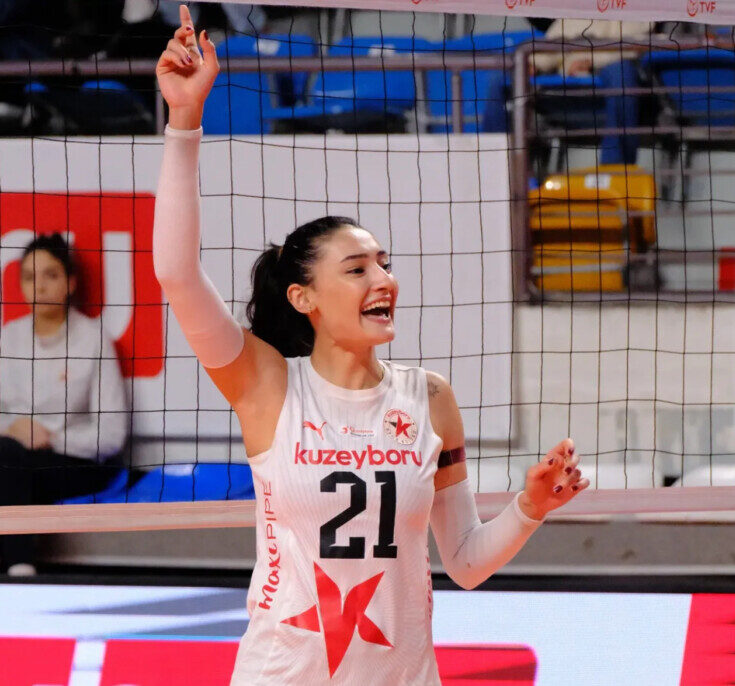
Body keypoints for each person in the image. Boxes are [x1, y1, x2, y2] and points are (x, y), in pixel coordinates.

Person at [154, 6, 589, 684]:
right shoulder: (268, 385)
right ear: (304, 298)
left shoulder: (428, 397)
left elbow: (465, 562)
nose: (383, 280)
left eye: (383, 264)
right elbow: (177, 274)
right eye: (356, 269)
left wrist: (529, 508)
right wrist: (184, 120)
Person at [0, 233, 129, 576]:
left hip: (75, 462)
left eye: (50, 275)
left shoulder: (93, 339)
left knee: (9, 465)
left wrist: (51, 438)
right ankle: (18, 566)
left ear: (70, 282)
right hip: (12, 458)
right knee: (9, 460)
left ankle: (19, 568)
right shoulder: (8, 338)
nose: (39, 286)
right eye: (29, 277)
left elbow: (111, 435)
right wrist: (13, 430)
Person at [483, 19, 651, 165]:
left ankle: (616, 170)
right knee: (502, 78)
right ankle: (496, 165)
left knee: (621, 72)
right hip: (565, 94)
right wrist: (535, 63)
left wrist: (591, 61)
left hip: (617, 88)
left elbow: (635, 44)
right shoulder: (579, 8)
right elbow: (557, 40)